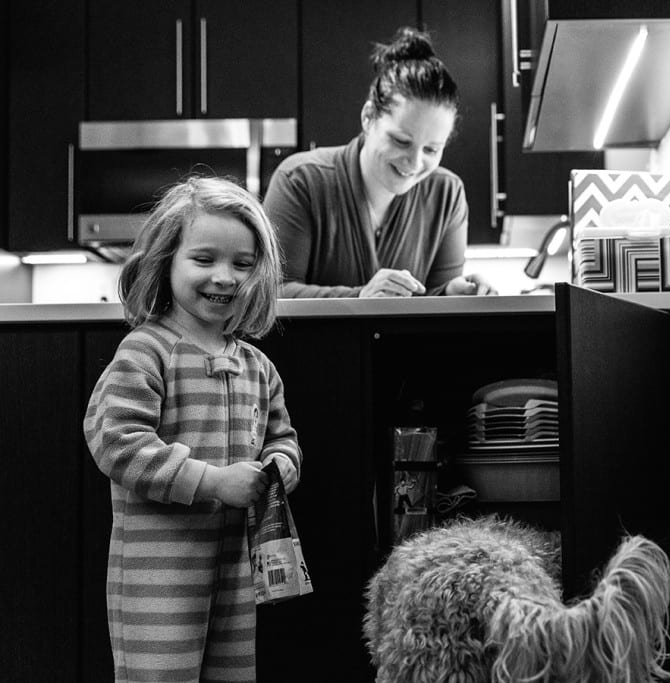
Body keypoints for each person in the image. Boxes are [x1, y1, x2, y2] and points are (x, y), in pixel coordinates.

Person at [83, 176, 302, 682]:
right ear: (166, 262)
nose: (224, 277)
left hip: (237, 571)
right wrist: (212, 482)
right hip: (158, 577)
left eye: (242, 264)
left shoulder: (257, 366)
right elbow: (116, 441)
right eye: (204, 260)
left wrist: (282, 465)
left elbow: (281, 436)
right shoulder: (146, 352)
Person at [263, 26, 497, 297]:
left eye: (432, 150)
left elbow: (433, 311)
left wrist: (452, 293)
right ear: (368, 117)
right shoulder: (300, 180)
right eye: (401, 141)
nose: (414, 162)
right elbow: (272, 294)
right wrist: (361, 297)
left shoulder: (447, 194)